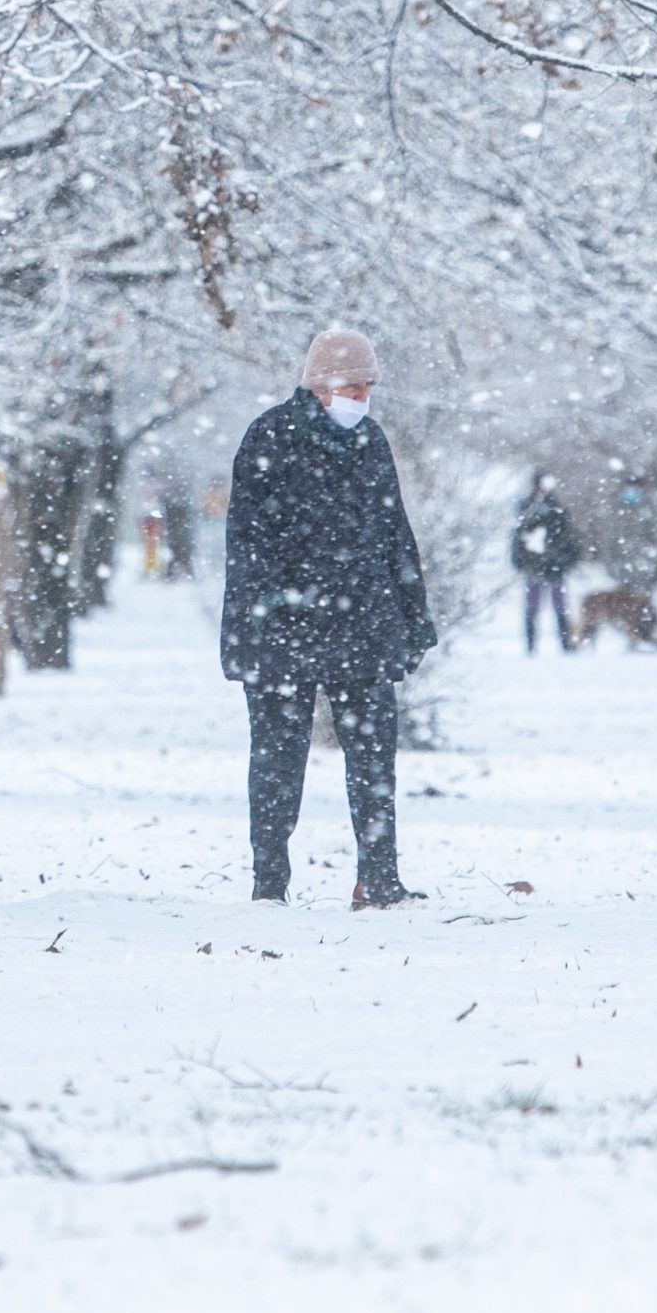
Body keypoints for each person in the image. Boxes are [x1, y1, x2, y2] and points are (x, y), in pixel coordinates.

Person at [221, 329, 438, 906]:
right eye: (351, 386)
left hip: (361, 627)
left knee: (373, 762)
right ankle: (270, 885)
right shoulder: (269, 436)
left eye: (368, 387)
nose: (362, 397)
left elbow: (395, 535)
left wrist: (413, 615)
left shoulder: (370, 440)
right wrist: (260, 615)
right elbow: (248, 541)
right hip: (285, 633)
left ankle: (379, 880)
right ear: (319, 386)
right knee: (277, 763)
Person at [511, 473, 582, 653]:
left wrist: (566, 560)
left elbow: (570, 538)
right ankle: (531, 645)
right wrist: (520, 561)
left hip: (553, 566)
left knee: (558, 607)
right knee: (533, 608)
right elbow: (519, 538)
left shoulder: (556, 509)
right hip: (536, 566)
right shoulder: (527, 508)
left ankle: (565, 644)